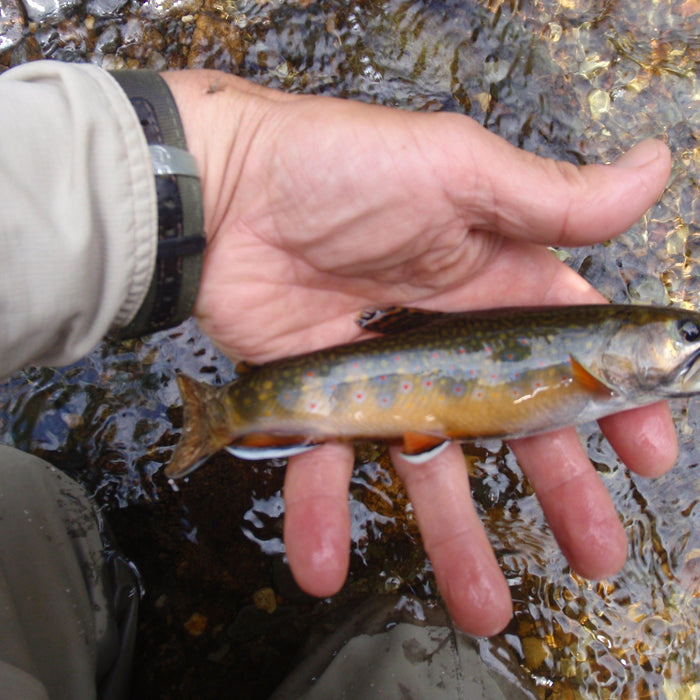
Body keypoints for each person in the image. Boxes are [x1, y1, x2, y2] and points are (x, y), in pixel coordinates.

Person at [0, 61, 675, 697]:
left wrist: (224, 163)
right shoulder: (592, 371)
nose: (688, 349)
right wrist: (223, 167)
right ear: (625, 336)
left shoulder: (598, 371)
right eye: (686, 337)